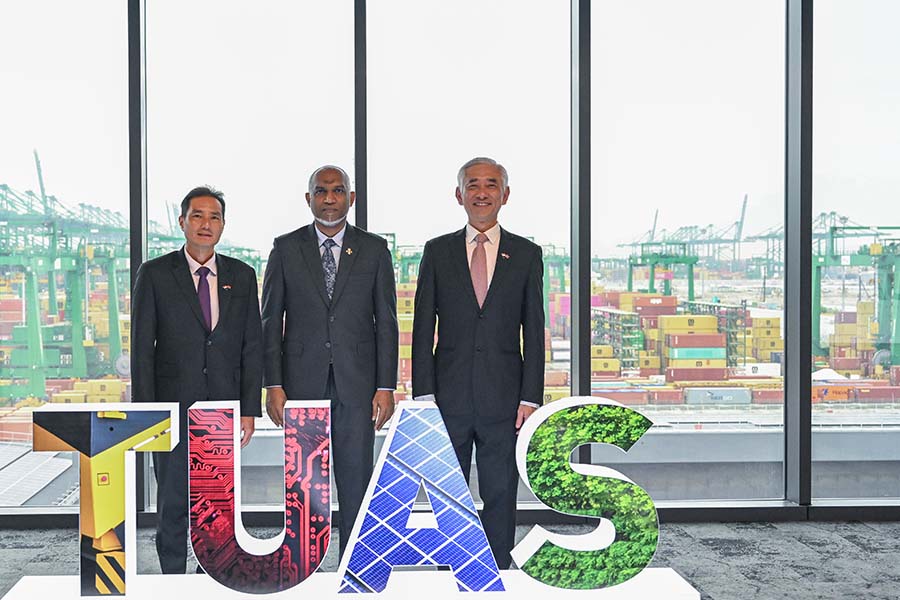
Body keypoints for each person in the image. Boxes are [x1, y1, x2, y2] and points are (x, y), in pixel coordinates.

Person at [412, 157, 545, 569]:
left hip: (505, 399)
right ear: (459, 195)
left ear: (505, 195)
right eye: (473, 185)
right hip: (447, 398)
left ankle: (497, 571)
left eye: (491, 185)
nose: (482, 193)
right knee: (444, 493)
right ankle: (447, 571)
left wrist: (530, 396)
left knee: (500, 492)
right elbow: (422, 328)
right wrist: (423, 395)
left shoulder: (527, 254)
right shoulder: (437, 252)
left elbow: (534, 330)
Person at [261, 165, 398, 557]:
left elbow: (386, 321)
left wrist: (385, 386)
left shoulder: (374, 250)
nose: (330, 199)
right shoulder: (285, 248)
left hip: (359, 385)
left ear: (351, 198)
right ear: (309, 199)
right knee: (305, 486)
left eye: (338, 191)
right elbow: (270, 321)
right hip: (300, 384)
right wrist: (273, 384)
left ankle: (353, 566)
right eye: (321, 191)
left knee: (356, 480)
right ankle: (303, 567)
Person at [132, 186, 262, 574]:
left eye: (214, 217)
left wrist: (249, 409)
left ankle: (214, 579)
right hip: (172, 407)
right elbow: (142, 350)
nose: (206, 224)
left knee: (219, 505)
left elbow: (251, 347)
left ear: (223, 224)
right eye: (198, 216)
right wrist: (148, 414)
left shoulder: (242, 275)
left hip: (223, 407)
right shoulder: (155, 274)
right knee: (173, 503)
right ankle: (173, 580)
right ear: (182, 222)